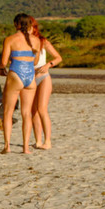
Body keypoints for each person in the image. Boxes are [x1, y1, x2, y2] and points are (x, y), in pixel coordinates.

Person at [0, 12, 40, 157]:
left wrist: (1, 68)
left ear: (16, 24)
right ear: (29, 25)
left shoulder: (10, 39)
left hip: (16, 73)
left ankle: (7, 146)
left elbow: (4, 62)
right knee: (26, 113)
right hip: (30, 75)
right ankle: (25, 147)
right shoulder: (36, 40)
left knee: (8, 112)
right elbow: (35, 62)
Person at [30, 19, 63, 149]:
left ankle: (47, 141)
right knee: (33, 111)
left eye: (31, 26)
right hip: (30, 77)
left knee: (42, 109)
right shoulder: (23, 42)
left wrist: (48, 65)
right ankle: (38, 141)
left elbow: (58, 58)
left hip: (43, 77)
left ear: (35, 27)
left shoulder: (43, 41)